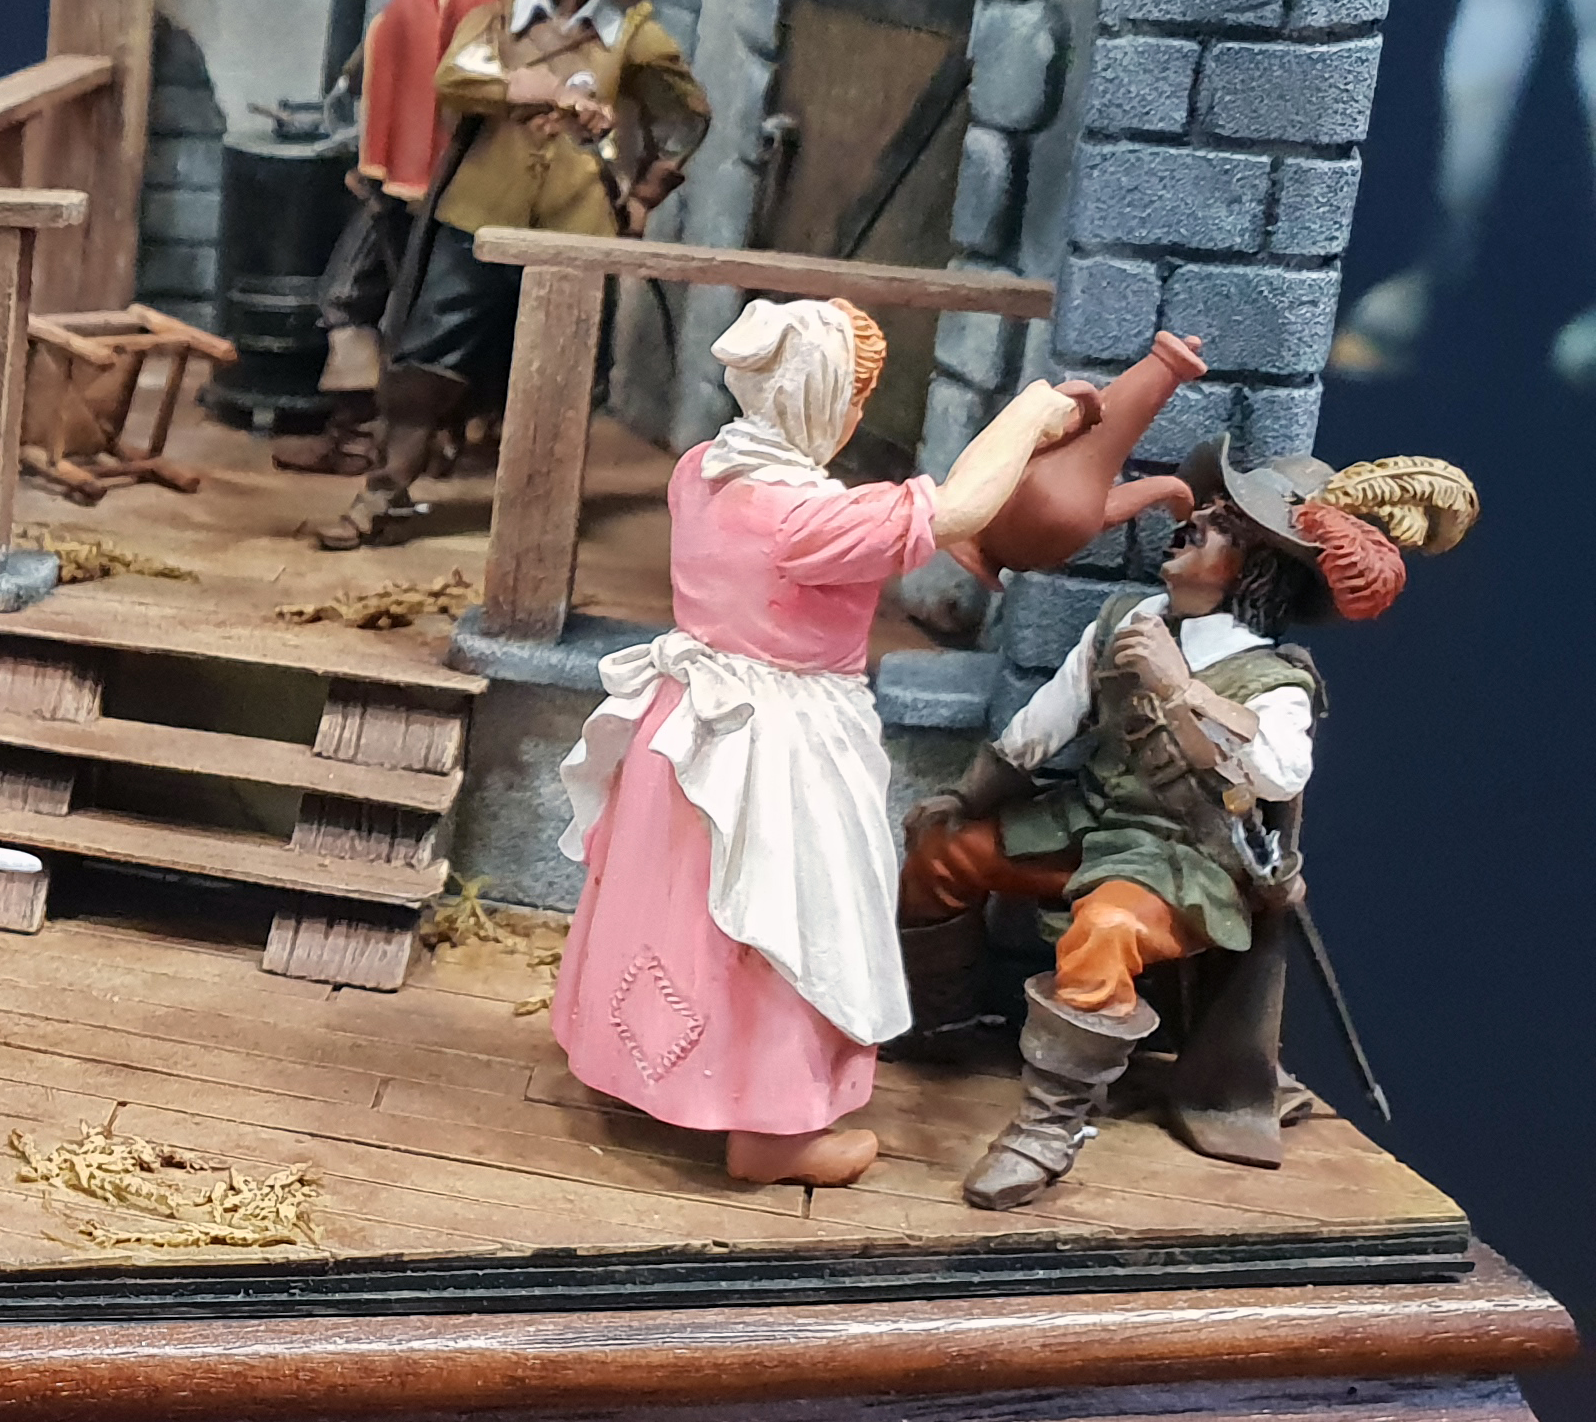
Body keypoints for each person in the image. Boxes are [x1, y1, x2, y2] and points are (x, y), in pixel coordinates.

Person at [546, 303, 1083, 1188]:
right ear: (826, 400)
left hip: (681, 730)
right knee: (788, 919)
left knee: (679, 904)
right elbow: (959, 507)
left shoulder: (701, 470)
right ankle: (772, 1128)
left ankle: (645, 1066)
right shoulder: (809, 519)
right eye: (855, 396)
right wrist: (1030, 413)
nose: (856, 415)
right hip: (776, 746)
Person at [902, 441, 1476, 1211]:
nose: (1194, 520)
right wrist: (966, 798)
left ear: (1253, 569)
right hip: (1086, 823)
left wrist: (1182, 690)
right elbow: (1042, 727)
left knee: (1106, 929)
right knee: (942, 852)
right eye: (1208, 511)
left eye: (1222, 525)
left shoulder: (1274, 683)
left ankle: (1048, 1129)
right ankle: (938, 1029)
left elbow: (1278, 774)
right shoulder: (1127, 622)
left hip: (1183, 861)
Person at [317, 0, 705, 551]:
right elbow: (454, 80)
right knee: (422, 361)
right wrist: (534, 89)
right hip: (477, 219)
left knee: (556, 379)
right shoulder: (500, 19)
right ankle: (384, 494)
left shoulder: (632, 39)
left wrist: (645, 193)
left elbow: (685, 119)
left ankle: (537, 522)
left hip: (573, 232)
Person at [284, 0, 521, 474]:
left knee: (351, 298)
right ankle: (423, 438)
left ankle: (360, 439)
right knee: (421, 313)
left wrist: (382, 175)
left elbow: (416, 91)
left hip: (413, 182)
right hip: (474, 186)